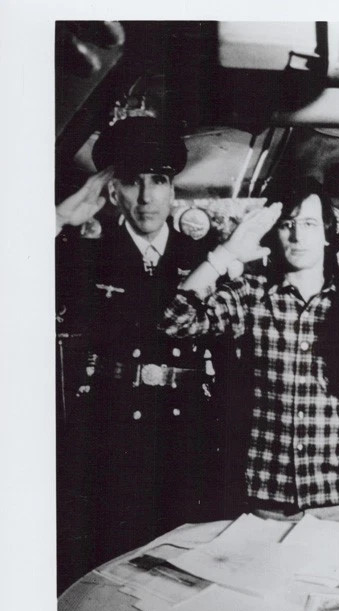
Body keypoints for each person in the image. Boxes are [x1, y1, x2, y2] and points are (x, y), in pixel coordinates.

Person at [55, 116, 218, 586]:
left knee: (183, 569)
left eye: (158, 181)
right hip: (109, 428)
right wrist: (60, 220)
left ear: (173, 190)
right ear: (113, 192)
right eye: (132, 181)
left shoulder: (205, 256)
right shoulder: (83, 253)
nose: (146, 197)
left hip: (186, 430)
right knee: (108, 562)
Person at [162, 178, 339, 521]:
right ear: (275, 233)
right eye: (288, 224)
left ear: (327, 232)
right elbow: (175, 321)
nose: (297, 236)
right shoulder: (250, 295)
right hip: (265, 499)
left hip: (337, 499)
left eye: (309, 224)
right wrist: (225, 254)